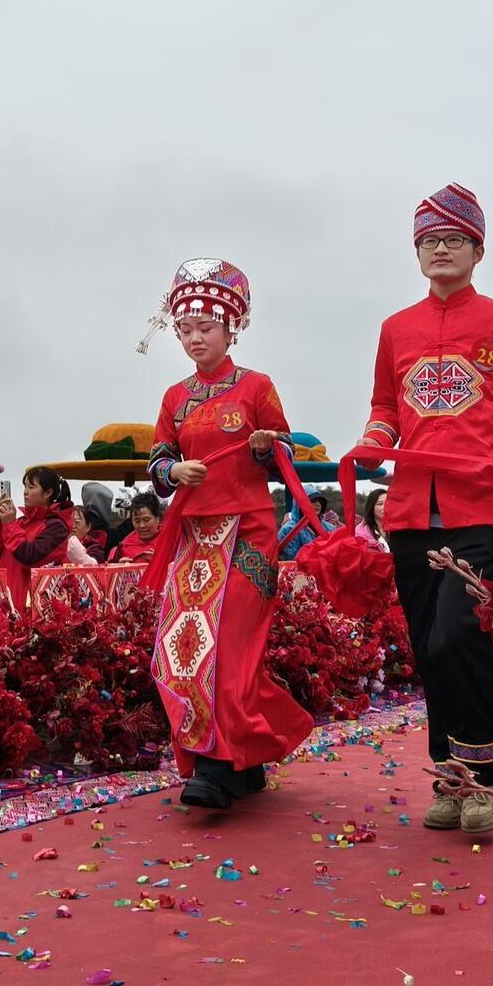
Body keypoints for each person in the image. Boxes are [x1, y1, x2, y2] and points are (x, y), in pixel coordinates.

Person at [358, 184, 493, 834]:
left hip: (488, 512)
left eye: (452, 238)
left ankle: (482, 777)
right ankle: (448, 776)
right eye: (428, 240)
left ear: (477, 248)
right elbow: (386, 407)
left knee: (458, 635)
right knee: (427, 647)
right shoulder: (396, 328)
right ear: (416, 252)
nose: (440, 248)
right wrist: (374, 441)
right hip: (413, 512)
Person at [139, 257, 313, 811]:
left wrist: (266, 446)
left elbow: (288, 453)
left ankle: (215, 767)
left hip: (249, 533)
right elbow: (160, 456)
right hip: (195, 534)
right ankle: (243, 754)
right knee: (183, 647)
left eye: (205, 328)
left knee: (229, 648)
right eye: (185, 329)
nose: (193, 338)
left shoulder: (256, 386)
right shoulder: (174, 396)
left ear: (231, 328)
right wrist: (172, 473)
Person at [0, 466, 77, 604]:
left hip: (33, 605)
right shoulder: (19, 522)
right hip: (6, 598)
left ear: (48, 493)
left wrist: (9, 525)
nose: (25, 492)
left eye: (31, 487)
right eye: (25, 487)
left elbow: (30, 557)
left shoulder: (56, 527)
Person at [109, 492, 165, 562]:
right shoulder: (124, 546)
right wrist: (119, 567)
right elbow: (111, 571)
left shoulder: (170, 543)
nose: (142, 526)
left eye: (146, 520)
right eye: (137, 521)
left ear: (157, 518)